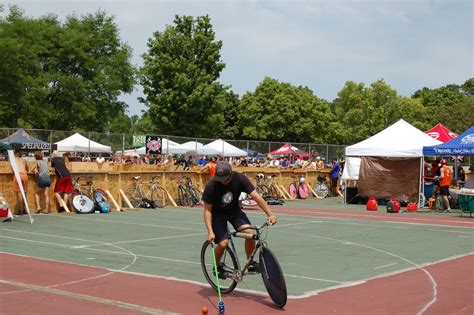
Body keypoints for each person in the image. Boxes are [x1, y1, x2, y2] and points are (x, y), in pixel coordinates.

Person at [202, 161, 277, 278]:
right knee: (223, 243)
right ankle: (217, 267)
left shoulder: (240, 179)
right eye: (219, 178)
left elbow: (256, 196)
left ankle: (250, 262)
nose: (222, 181)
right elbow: (207, 210)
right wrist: (210, 231)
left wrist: (270, 214)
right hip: (218, 215)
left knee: (250, 233)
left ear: (231, 175)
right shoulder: (212, 185)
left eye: (225, 179)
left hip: (234, 211)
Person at [11, 150, 29, 215]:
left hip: (18, 175)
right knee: (24, 193)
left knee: (19, 194)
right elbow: (27, 169)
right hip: (25, 175)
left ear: (15, 154)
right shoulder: (24, 160)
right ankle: (24, 209)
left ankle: (21, 210)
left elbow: (12, 170)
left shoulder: (13, 160)